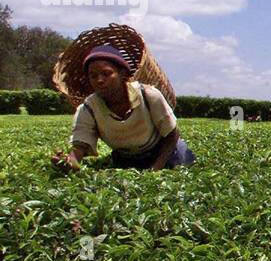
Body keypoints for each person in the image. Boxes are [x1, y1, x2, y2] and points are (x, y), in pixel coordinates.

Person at [51, 44, 195, 171]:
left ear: (122, 74)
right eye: (93, 76)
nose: (99, 80)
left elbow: (172, 135)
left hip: (165, 152)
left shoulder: (148, 95)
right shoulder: (88, 109)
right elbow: (79, 149)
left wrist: (157, 168)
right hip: (126, 159)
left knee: (179, 166)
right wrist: (70, 162)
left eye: (106, 73)